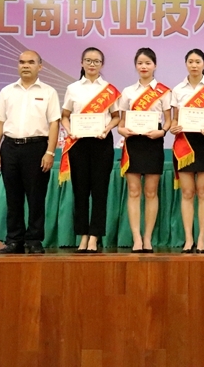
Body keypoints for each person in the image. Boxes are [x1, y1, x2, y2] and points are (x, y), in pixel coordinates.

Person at [0, 50, 60, 254]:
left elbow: (54, 124)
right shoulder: (7, 91)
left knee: (36, 197)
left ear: (40, 66)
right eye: (22, 62)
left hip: (37, 148)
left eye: (30, 62)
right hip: (10, 147)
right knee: (13, 197)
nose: (25, 66)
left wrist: (50, 152)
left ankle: (34, 240)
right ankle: (14, 240)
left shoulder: (49, 92)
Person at [60, 47, 120, 253]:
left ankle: (94, 236)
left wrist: (107, 129)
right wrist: (70, 131)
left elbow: (116, 117)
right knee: (80, 191)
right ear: (82, 63)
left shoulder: (109, 90)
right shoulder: (73, 88)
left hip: (101, 143)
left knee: (100, 191)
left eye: (96, 61)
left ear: (102, 64)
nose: (92, 64)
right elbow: (65, 115)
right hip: (79, 144)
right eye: (88, 60)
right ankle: (83, 235)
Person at [118, 48, 172, 253]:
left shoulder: (164, 91)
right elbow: (121, 123)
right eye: (140, 63)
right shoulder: (128, 92)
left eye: (148, 63)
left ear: (155, 65)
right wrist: (122, 131)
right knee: (133, 191)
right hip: (133, 143)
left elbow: (169, 120)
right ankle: (136, 238)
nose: (144, 67)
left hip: (153, 142)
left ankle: (148, 237)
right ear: (135, 65)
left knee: (150, 191)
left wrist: (163, 131)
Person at [170, 49, 204, 254]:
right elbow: (175, 118)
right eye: (190, 61)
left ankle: (201, 237)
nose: (194, 65)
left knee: (203, 192)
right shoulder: (178, 90)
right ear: (186, 64)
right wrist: (174, 127)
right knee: (187, 193)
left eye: (197, 61)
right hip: (184, 143)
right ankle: (188, 238)